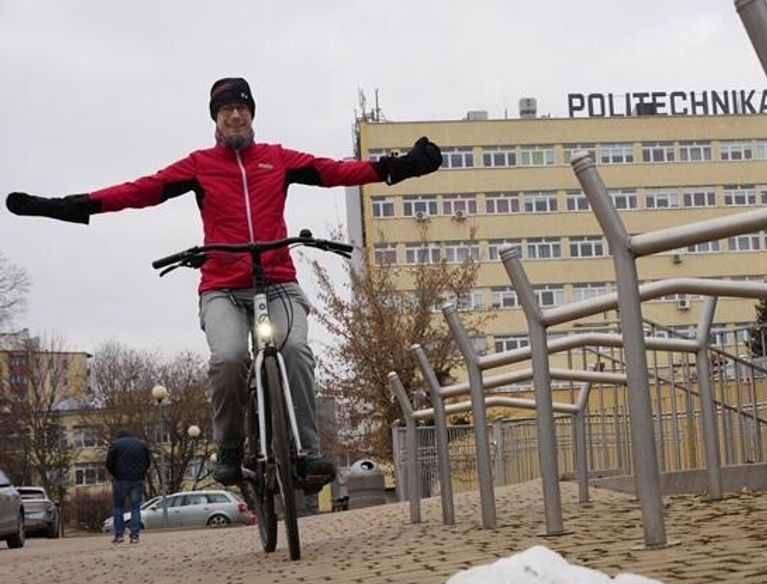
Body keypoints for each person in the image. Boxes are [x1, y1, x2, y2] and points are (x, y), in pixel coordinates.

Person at [7, 77, 442, 490]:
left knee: (295, 352)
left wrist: (402, 167)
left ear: (252, 114)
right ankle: (230, 447)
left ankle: (309, 452)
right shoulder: (199, 166)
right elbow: (138, 191)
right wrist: (66, 206)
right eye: (226, 109)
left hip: (277, 282)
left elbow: (336, 171)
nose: (236, 116)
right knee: (230, 358)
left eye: (242, 108)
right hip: (222, 287)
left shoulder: (279, 158)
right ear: (215, 118)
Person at [105, 429, 151, 544]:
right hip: (137, 479)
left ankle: (119, 535)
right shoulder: (142, 444)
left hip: (120, 480)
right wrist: (141, 474)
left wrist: (115, 474)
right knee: (135, 507)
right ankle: (134, 535)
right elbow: (148, 462)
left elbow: (109, 463)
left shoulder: (115, 444)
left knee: (118, 507)